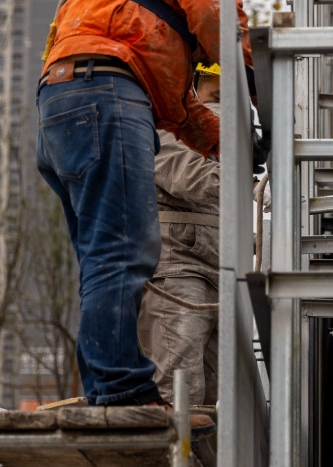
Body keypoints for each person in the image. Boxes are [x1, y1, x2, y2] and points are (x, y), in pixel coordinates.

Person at [35, 0, 308, 420]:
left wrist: (231, 143)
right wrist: (267, 97)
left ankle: (106, 388)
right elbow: (216, 11)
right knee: (126, 250)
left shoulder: (148, 14)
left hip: (77, 94)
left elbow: (178, 109)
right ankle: (119, 389)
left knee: (105, 258)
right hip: (101, 89)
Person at [138, 63, 222, 408]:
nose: (220, 110)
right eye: (215, 98)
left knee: (214, 402)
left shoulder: (216, 142)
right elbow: (190, 177)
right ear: (189, 90)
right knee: (178, 392)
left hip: (215, 272)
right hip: (177, 270)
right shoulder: (162, 127)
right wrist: (249, 180)